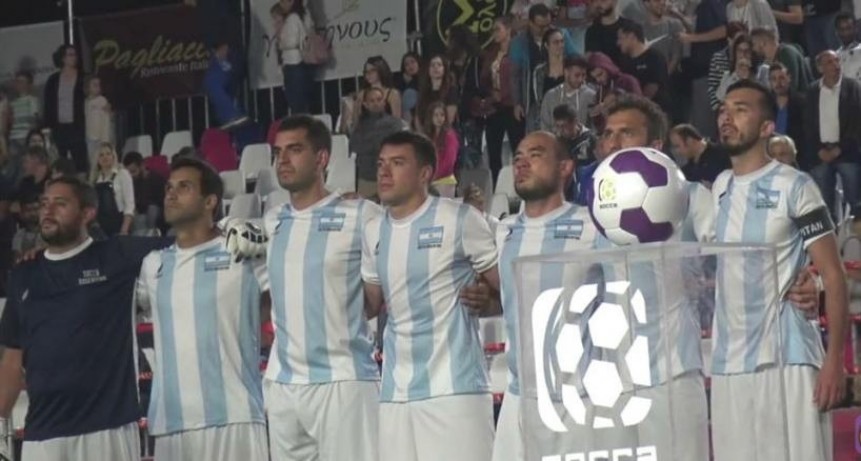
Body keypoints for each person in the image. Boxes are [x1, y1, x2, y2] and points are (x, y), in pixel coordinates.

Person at [711, 79, 847, 461]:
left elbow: (833, 274)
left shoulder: (795, 185)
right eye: (724, 110)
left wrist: (834, 362)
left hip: (787, 357)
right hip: (728, 363)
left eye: (740, 110)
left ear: (767, 127)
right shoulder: (719, 187)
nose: (727, 117)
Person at [0, 176, 171, 460]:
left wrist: (229, 227)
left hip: (108, 430)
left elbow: (188, 243)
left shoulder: (117, 256)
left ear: (87, 213)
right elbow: (11, 362)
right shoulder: (23, 275)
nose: (47, 210)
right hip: (42, 435)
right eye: (44, 203)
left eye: (60, 203)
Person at [362, 131, 499, 461]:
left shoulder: (460, 219)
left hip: (455, 390)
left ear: (424, 173)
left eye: (397, 163)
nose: (384, 172)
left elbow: (508, 290)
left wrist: (489, 301)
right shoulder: (372, 230)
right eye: (381, 164)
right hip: (395, 393)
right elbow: (370, 305)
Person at [262, 115, 380, 461]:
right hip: (283, 385)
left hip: (343, 380)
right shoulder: (271, 221)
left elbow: (377, 300)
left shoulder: (361, 214)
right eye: (278, 152)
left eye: (294, 150)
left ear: (322, 158)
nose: (283, 160)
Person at [135, 157, 268, 460]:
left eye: (184, 187)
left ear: (210, 201)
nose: (171, 194)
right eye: (169, 187)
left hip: (235, 417)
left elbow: (281, 298)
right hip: (170, 425)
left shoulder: (243, 250)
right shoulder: (153, 265)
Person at [491, 131, 599, 461]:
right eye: (518, 157)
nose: (522, 163)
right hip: (517, 398)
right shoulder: (504, 230)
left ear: (565, 167)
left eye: (535, 155)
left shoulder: (592, 226)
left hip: (574, 400)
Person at [803, 50, 861, 219]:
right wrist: (819, 150)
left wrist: (839, 149)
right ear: (820, 68)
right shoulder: (812, 90)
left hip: (847, 152)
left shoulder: (852, 87)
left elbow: (857, 123)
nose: (836, 65)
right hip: (821, 153)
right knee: (824, 205)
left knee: (854, 202)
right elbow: (808, 124)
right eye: (829, 62)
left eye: (837, 60)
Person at [480, 15, 524, 187]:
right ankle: (497, 187)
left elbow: (519, 78)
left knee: (517, 147)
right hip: (495, 106)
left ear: (508, 30)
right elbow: (485, 78)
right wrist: (491, 93)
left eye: (498, 29)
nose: (495, 33)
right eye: (493, 30)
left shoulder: (517, 50)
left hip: (512, 106)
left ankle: (521, 185)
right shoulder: (492, 53)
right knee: (493, 151)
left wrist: (513, 98)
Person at [349, 87, 405, 199]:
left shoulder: (394, 123)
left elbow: (397, 146)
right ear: (365, 104)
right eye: (372, 101)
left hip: (390, 176)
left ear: (384, 102)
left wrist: (372, 143)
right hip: (367, 177)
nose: (376, 103)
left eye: (379, 100)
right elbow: (355, 147)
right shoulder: (360, 125)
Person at [44, 44, 88, 173]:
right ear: (62, 58)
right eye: (70, 55)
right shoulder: (53, 80)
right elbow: (48, 104)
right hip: (59, 127)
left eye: (75, 55)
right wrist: (48, 127)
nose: (74, 57)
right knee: (60, 162)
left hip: (78, 126)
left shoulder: (83, 77)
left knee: (81, 162)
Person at [617, 22, 672, 116]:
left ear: (631, 36)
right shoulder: (624, 61)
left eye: (620, 38)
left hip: (655, 113)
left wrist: (637, 105)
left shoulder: (655, 57)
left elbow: (653, 86)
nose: (618, 43)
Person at [277, 0, 315, 115]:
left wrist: (281, 43)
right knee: (301, 104)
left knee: (297, 104)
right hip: (300, 64)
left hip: (293, 64)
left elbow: (292, 41)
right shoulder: (304, 15)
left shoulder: (293, 18)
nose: (281, 4)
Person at [540, 56, 596, 133]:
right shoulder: (550, 96)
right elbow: (545, 127)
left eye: (583, 75)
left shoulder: (590, 96)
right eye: (577, 75)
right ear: (566, 73)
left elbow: (594, 129)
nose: (581, 79)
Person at [90, 142, 135, 236]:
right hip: (101, 226)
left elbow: (129, 205)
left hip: (119, 223)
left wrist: (124, 230)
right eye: (101, 155)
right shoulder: (95, 179)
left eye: (108, 153)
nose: (105, 157)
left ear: (113, 156)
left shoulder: (122, 174)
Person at [203, 39, 250, 130]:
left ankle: (232, 115)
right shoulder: (214, 69)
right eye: (223, 49)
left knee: (213, 83)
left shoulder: (231, 61)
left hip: (230, 78)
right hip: (224, 77)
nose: (225, 52)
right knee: (213, 83)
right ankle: (230, 116)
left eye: (226, 49)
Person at [750, 27, 813, 93]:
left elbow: (791, 87)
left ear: (762, 43)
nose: (753, 49)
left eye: (754, 44)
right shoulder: (774, 59)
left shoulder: (786, 53)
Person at [768, 62, 806, 166]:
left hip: (796, 158)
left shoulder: (801, 102)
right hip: (770, 157)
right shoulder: (766, 104)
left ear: (789, 78)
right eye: (774, 79)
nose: (778, 83)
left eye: (781, 78)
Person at [123, 151, 166, 233]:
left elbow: (163, 202)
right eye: (128, 173)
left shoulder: (157, 179)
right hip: (140, 214)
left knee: (152, 210)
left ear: (142, 166)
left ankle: (151, 235)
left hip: (157, 215)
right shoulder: (130, 182)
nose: (131, 175)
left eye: (133, 171)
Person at [423, 102, 459, 198]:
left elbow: (449, 161)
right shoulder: (428, 136)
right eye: (436, 115)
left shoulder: (450, 136)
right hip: (430, 181)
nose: (439, 118)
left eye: (442, 115)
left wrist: (433, 176)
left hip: (445, 181)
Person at [354, 56, 402, 126]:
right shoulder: (361, 94)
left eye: (372, 70)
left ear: (381, 70)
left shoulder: (392, 94)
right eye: (366, 71)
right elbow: (356, 121)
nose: (368, 74)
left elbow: (396, 120)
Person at [8, 71, 40, 156]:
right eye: (17, 81)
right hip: (13, 139)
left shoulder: (32, 100)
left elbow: (34, 121)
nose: (18, 84)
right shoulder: (12, 103)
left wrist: (31, 139)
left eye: (22, 81)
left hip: (26, 138)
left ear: (28, 84)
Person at [84, 75, 112, 167]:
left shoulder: (102, 101)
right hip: (90, 137)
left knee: (102, 159)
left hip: (100, 137)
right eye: (94, 85)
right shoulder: (86, 102)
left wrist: (105, 138)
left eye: (98, 85)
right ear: (87, 87)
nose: (97, 87)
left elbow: (105, 120)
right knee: (92, 160)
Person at [11, 192, 43, 259]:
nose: (33, 213)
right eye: (28, 210)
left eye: (36, 209)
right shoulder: (19, 235)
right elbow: (17, 257)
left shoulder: (50, 232)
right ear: (21, 214)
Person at [835, 12, 861, 80]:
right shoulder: (834, 57)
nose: (845, 32)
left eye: (849, 28)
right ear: (836, 32)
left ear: (856, 29)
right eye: (842, 29)